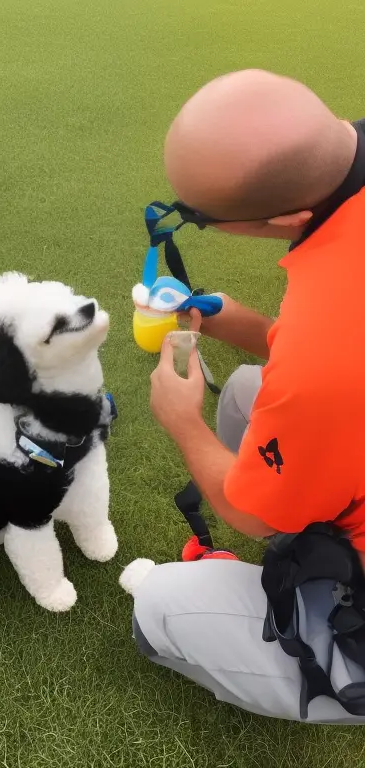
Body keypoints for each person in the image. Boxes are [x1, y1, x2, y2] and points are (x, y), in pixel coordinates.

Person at [131, 69, 365, 724]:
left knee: (161, 606)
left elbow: (255, 516)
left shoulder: (328, 341)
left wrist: (183, 423)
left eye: (198, 220)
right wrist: (242, 322)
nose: (191, 223)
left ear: (287, 218)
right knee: (245, 391)